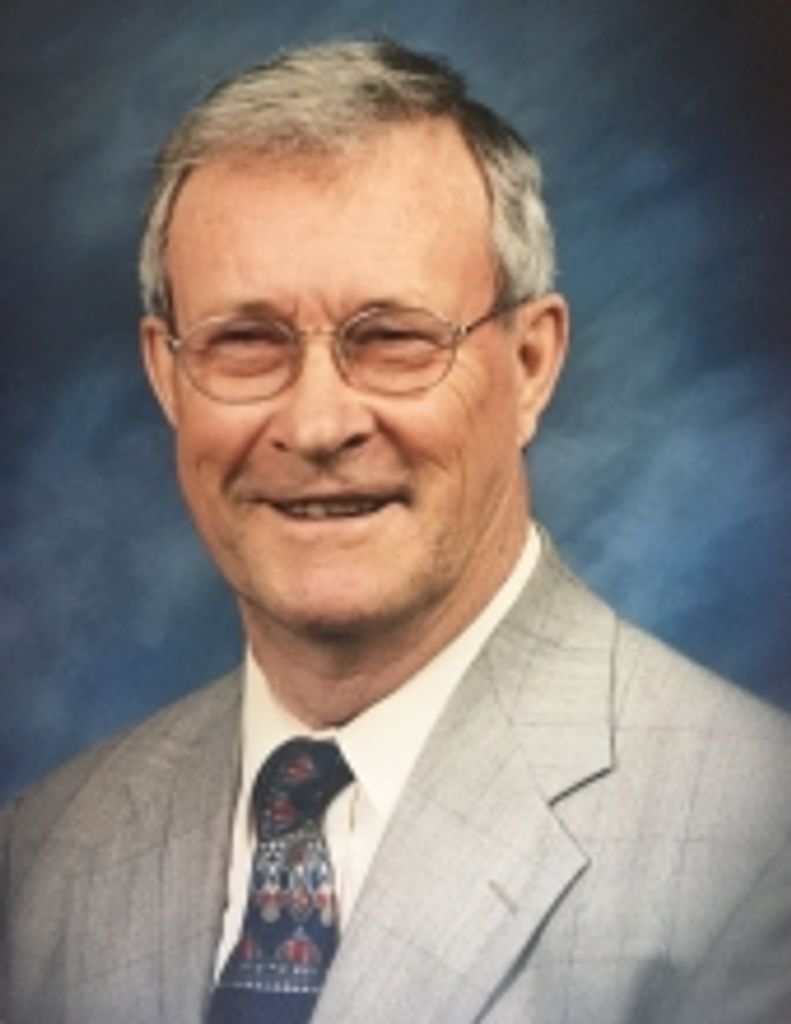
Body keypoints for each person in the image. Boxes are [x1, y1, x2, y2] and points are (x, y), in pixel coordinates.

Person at [1, 38, 789, 1024]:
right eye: (245, 342)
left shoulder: (755, 843)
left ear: (530, 365)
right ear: (167, 374)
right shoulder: (43, 857)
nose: (316, 423)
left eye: (392, 340)